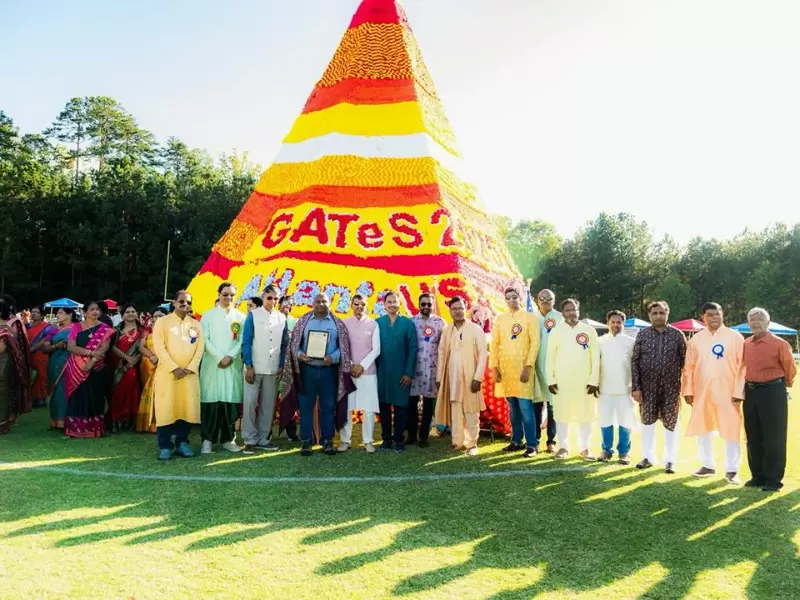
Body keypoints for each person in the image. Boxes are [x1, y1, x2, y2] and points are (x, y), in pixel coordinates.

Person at [279, 293, 353, 456]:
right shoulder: (303, 322)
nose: (320, 304)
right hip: (307, 371)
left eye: (324, 301)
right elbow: (294, 346)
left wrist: (333, 357)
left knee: (328, 407)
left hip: (329, 372)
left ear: (329, 303)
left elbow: (344, 348)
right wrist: (300, 355)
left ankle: (327, 441)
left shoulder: (338, 323)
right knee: (306, 407)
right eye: (317, 301)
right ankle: (306, 441)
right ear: (312, 303)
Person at [683, 302, 745, 484]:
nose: (714, 317)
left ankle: (732, 470)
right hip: (702, 391)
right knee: (703, 427)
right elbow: (688, 367)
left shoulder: (735, 337)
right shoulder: (696, 340)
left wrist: (739, 391)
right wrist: (688, 390)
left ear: (722, 315)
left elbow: (743, 366)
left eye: (717, 314)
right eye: (710, 315)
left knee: (731, 428)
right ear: (703, 317)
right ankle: (707, 465)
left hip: (729, 392)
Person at [742, 307, 796, 492]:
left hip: (773, 391)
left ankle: (773, 479)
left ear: (768, 321)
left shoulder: (780, 344)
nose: (756, 321)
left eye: (760, 318)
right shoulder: (746, 343)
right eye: (752, 318)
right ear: (748, 323)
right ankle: (758, 475)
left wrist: (783, 385)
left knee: (774, 437)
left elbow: (790, 368)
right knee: (753, 434)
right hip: (751, 392)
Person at [631, 301, 687, 473]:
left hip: (671, 388)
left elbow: (685, 363)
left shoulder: (677, 335)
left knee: (671, 423)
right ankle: (648, 457)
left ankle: (670, 460)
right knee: (647, 422)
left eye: (661, 313)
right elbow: (635, 361)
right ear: (649, 315)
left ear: (667, 314)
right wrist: (636, 387)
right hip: (647, 388)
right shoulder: (643, 334)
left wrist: (685, 387)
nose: (658, 316)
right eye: (654, 313)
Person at [152, 290, 204, 460]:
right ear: (173, 303)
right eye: (181, 301)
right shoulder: (162, 322)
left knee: (186, 408)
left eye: (188, 302)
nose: (185, 304)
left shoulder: (195, 324)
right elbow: (159, 347)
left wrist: (190, 368)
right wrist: (174, 368)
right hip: (168, 375)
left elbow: (200, 348)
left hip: (189, 375)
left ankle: (182, 443)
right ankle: (165, 446)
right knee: (166, 408)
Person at [490, 286, 540, 457]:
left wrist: (528, 366)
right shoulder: (500, 319)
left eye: (514, 296)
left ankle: (532, 444)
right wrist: (495, 367)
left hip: (523, 370)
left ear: (520, 297)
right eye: (508, 297)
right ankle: (516, 440)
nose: (511, 300)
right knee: (513, 409)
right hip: (506, 370)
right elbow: (494, 344)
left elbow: (535, 343)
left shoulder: (529, 318)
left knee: (526, 408)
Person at [547, 298, 599, 460]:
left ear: (578, 311)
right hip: (561, 381)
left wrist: (594, 380)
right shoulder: (556, 331)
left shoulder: (589, 330)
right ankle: (563, 447)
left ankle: (585, 448)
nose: (571, 313)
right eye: (567, 310)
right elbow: (550, 357)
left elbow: (595, 357)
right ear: (562, 313)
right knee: (562, 414)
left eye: (573, 310)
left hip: (584, 381)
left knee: (585, 415)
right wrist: (550, 379)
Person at [435, 296, 487, 455]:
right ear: (450, 311)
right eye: (454, 309)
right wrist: (439, 378)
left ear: (466, 309)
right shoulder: (447, 331)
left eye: (460, 308)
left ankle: (472, 444)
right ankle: (457, 441)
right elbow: (441, 354)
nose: (457, 311)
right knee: (455, 410)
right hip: (452, 377)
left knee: (471, 411)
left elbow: (483, 354)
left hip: (471, 377)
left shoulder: (476, 329)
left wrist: (478, 377)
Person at [199, 282, 246, 454]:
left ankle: (228, 439)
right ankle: (207, 441)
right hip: (212, 365)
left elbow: (242, 341)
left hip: (232, 365)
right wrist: (220, 357)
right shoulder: (207, 316)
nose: (228, 298)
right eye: (225, 294)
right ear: (219, 294)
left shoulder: (241, 317)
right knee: (210, 403)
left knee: (229, 403)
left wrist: (230, 356)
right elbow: (205, 339)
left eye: (232, 295)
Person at [241, 285, 288, 454]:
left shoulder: (282, 318)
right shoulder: (253, 315)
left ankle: (263, 439)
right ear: (263, 297)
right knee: (249, 404)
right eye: (269, 298)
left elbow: (284, 344)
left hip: (273, 369)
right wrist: (248, 366)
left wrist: (281, 365)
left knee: (268, 406)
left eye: (276, 298)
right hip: (253, 367)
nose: (272, 301)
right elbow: (246, 342)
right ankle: (249, 440)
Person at [64, 301, 115, 438]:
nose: (95, 311)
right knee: (78, 397)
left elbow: (104, 348)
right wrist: (90, 353)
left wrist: (91, 362)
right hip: (77, 367)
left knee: (95, 397)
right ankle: (76, 430)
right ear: (85, 312)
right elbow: (71, 347)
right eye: (92, 309)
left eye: (97, 309)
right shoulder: (76, 327)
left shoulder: (105, 328)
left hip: (96, 368)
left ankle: (94, 429)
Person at [375, 291, 418, 453]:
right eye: (389, 302)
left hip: (401, 374)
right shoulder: (377, 323)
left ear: (399, 304)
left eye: (395, 301)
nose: (392, 304)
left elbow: (413, 350)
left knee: (401, 407)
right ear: (384, 305)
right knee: (384, 407)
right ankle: (386, 439)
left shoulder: (408, 324)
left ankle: (399, 439)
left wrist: (408, 373)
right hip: (382, 373)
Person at [339, 294, 381, 453]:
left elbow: (376, 349)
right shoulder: (344, 323)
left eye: (362, 304)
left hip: (368, 372)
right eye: (356, 304)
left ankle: (368, 441)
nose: (359, 307)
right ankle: (345, 440)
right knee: (347, 407)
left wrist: (362, 366)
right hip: (348, 372)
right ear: (351, 305)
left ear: (366, 305)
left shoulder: (373, 324)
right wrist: (351, 366)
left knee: (368, 408)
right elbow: (342, 348)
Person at [597, 310, 636, 464]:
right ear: (608, 323)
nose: (615, 325)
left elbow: (635, 366)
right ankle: (606, 450)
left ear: (623, 323)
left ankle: (624, 452)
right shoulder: (600, 341)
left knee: (625, 421)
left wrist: (635, 386)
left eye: (618, 322)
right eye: (612, 322)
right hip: (604, 388)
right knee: (605, 420)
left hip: (625, 389)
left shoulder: (631, 342)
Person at [407, 292, 445, 447]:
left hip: (431, 369)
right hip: (414, 369)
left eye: (429, 304)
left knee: (429, 405)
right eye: (423, 304)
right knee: (411, 403)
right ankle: (411, 435)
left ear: (433, 305)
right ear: (419, 305)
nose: (426, 307)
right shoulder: (411, 322)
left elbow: (444, 346)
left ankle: (424, 437)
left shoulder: (440, 322)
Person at [533, 288, 561, 453]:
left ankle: (551, 441)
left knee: (552, 406)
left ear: (554, 300)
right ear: (537, 300)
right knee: (536, 404)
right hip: (535, 367)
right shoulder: (532, 318)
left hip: (555, 369)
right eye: (542, 298)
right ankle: (535, 440)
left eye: (548, 298)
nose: (545, 301)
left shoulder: (560, 318)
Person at [108, 303, 144, 432]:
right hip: (119, 366)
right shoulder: (116, 330)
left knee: (134, 391)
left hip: (137, 365)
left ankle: (131, 422)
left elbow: (146, 347)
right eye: (127, 312)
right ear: (122, 315)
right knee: (119, 392)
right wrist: (127, 358)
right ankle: (117, 421)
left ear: (137, 313)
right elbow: (112, 347)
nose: (130, 314)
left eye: (133, 311)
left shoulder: (143, 330)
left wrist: (136, 358)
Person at [43, 308, 78, 429]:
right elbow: (44, 349)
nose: (57, 315)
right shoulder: (53, 330)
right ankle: (56, 421)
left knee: (64, 391)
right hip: (55, 364)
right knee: (55, 392)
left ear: (69, 315)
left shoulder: (77, 329)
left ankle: (67, 421)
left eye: (60, 313)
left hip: (70, 364)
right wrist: (56, 346)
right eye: (57, 313)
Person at [136, 307, 166, 433]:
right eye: (155, 316)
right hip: (150, 365)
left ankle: (163, 423)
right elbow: (141, 347)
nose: (157, 318)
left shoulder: (170, 332)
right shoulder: (147, 332)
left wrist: (162, 359)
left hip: (165, 366)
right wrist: (152, 356)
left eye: (160, 316)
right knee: (149, 392)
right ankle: (149, 423)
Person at [0, 298, 27, 434]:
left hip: (3, 364)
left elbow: (2, 348)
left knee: (2, 393)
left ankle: (2, 423)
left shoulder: (5, 328)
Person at [3, 294, 31, 414]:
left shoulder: (15, 322)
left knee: (8, 389)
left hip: (10, 359)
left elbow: (17, 342)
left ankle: (10, 416)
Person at [26, 305, 57, 408]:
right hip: (28, 355)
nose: (33, 314)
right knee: (29, 376)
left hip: (41, 355)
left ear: (42, 315)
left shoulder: (48, 327)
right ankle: (29, 398)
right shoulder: (26, 326)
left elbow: (45, 340)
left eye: (37, 312)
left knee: (41, 376)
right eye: (32, 312)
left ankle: (40, 399)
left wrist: (32, 349)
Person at [279, 295, 299, 441]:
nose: (287, 305)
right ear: (278, 304)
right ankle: (266, 433)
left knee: (290, 398)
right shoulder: (272, 320)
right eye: (285, 302)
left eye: (290, 303)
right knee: (269, 401)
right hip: (273, 366)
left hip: (290, 367)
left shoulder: (295, 322)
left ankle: (291, 433)